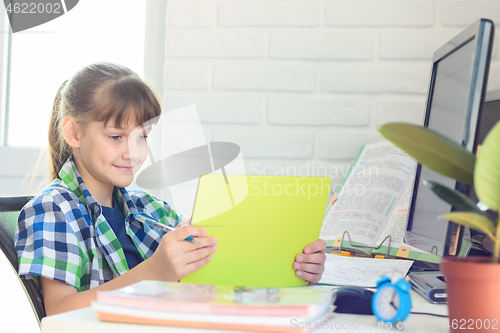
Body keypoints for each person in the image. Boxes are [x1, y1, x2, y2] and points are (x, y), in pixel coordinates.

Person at [15, 62, 327, 316]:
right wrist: (156, 270)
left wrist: (292, 266)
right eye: (116, 137)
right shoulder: (54, 210)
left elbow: (214, 275)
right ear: (73, 132)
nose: (133, 153)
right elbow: (59, 312)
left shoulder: (152, 210)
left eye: (142, 136)